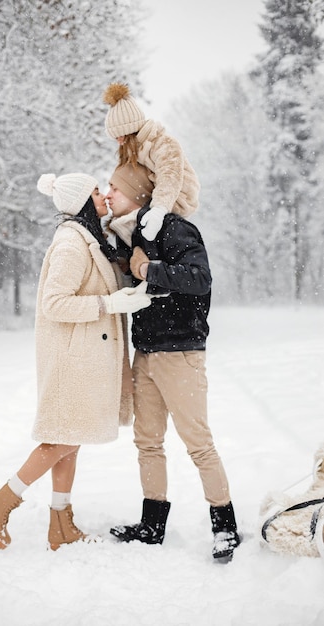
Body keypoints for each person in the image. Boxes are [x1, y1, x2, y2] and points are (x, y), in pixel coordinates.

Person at [0, 172, 151, 551]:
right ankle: (0, 502)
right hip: (74, 358)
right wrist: (108, 304)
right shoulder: (71, 243)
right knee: (62, 440)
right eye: (95, 191)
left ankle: (60, 523)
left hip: (84, 355)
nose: (104, 195)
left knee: (71, 439)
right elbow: (55, 303)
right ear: (81, 201)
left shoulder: (89, 238)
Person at [105, 163, 241, 562]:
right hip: (145, 351)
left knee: (198, 444)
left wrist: (149, 269)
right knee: (147, 441)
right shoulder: (132, 234)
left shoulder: (174, 228)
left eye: (115, 187)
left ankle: (225, 527)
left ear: (137, 193)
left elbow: (200, 279)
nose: (109, 193)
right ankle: (152, 525)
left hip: (181, 352)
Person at [102, 82, 200, 241]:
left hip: (177, 198)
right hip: (152, 198)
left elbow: (170, 178)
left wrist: (159, 210)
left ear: (130, 131)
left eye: (120, 136)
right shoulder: (131, 148)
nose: (119, 141)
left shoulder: (163, 143)